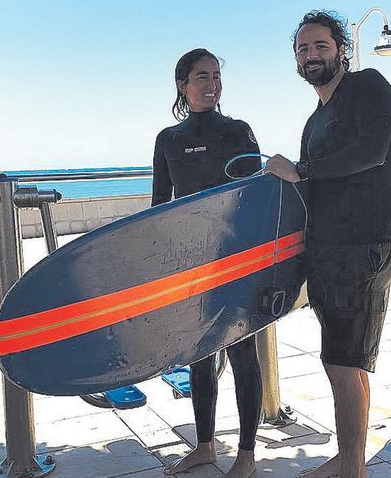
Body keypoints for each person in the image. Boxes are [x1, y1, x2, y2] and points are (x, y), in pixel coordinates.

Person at [264, 11, 391, 478]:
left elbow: (372, 152)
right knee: (344, 362)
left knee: (345, 363)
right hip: (326, 250)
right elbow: (314, 190)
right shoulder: (313, 120)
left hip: (362, 247)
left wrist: (301, 170)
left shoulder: (368, 87)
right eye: (302, 49)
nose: (311, 55)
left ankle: (352, 470)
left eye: (320, 45)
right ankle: (349, 459)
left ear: (341, 48)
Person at [153, 48, 262, 478]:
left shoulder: (238, 131)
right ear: (183, 84)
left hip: (236, 258)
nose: (212, 83)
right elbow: (160, 207)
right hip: (192, 262)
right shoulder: (168, 139)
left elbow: (256, 195)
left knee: (242, 352)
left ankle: (248, 455)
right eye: (202, 76)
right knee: (199, 353)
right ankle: (204, 447)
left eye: (216, 75)